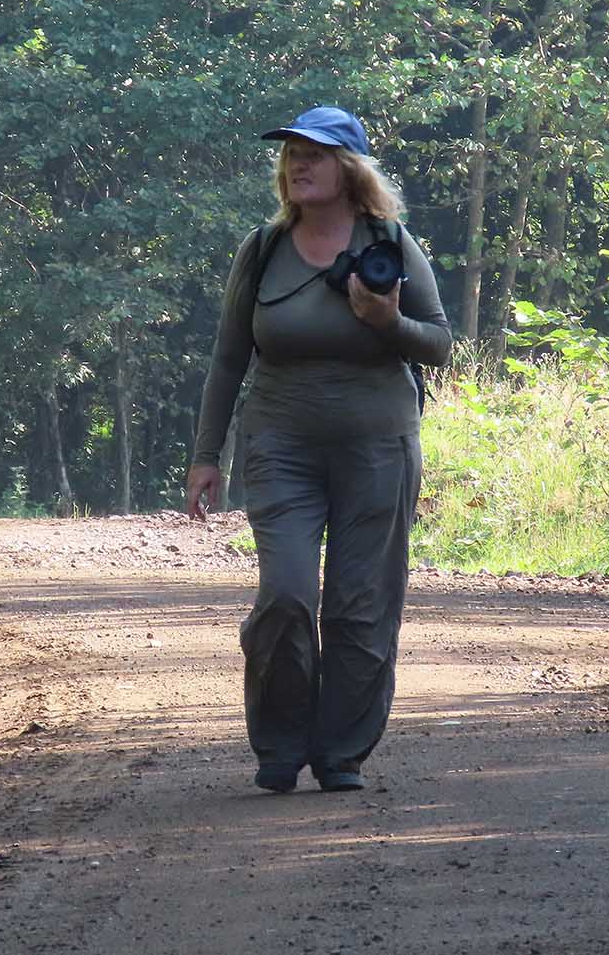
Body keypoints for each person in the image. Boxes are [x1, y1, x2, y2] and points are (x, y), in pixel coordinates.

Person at [185, 106, 452, 793]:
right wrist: (207, 455)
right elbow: (227, 358)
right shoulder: (263, 250)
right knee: (286, 593)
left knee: (362, 605)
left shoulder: (390, 242)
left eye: (317, 154)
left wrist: (386, 320)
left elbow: (439, 344)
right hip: (282, 446)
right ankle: (279, 744)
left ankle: (341, 753)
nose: (300, 164)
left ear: (349, 169)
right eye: (293, 154)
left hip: (378, 449)